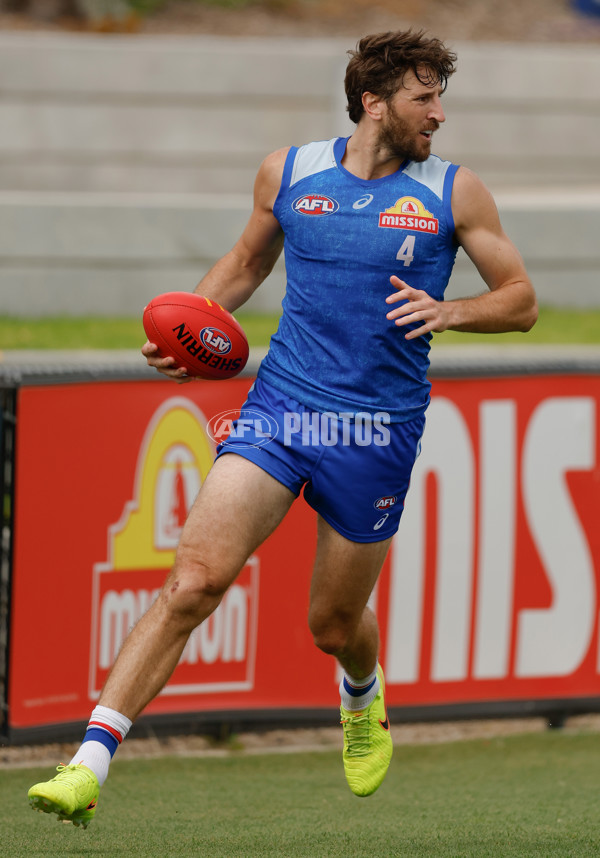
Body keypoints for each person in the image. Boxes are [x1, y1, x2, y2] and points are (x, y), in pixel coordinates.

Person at [28, 29, 537, 826]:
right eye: (423, 97)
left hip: (376, 432)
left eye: (442, 97)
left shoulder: (454, 191)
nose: (438, 113)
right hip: (281, 409)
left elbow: (522, 298)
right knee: (194, 581)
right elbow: (244, 263)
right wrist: (190, 326)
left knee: (332, 626)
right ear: (373, 103)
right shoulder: (289, 171)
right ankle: (87, 764)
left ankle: (362, 697)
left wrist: (453, 310)